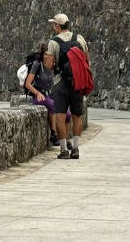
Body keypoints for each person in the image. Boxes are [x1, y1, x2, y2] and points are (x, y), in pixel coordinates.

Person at [45, 12, 88, 160]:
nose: (53, 27)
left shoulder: (53, 42)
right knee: (77, 116)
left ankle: (63, 150)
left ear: (57, 26)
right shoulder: (79, 39)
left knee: (60, 116)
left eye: (54, 24)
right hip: (77, 82)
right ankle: (75, 148)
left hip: (60, 83)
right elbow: (86, 60)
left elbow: (49, 65)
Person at [23, 41, 56, 144]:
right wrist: (37, 93)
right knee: (53, 106)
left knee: (67, 114)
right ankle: (54, 134)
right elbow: (27, 84)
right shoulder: (37, 64)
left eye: (49, 54)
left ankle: (65, 139)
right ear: (42, 54)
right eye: (45, 54)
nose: (47, 56)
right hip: (38, 96)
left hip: (49, 95)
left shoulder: (53, 65)